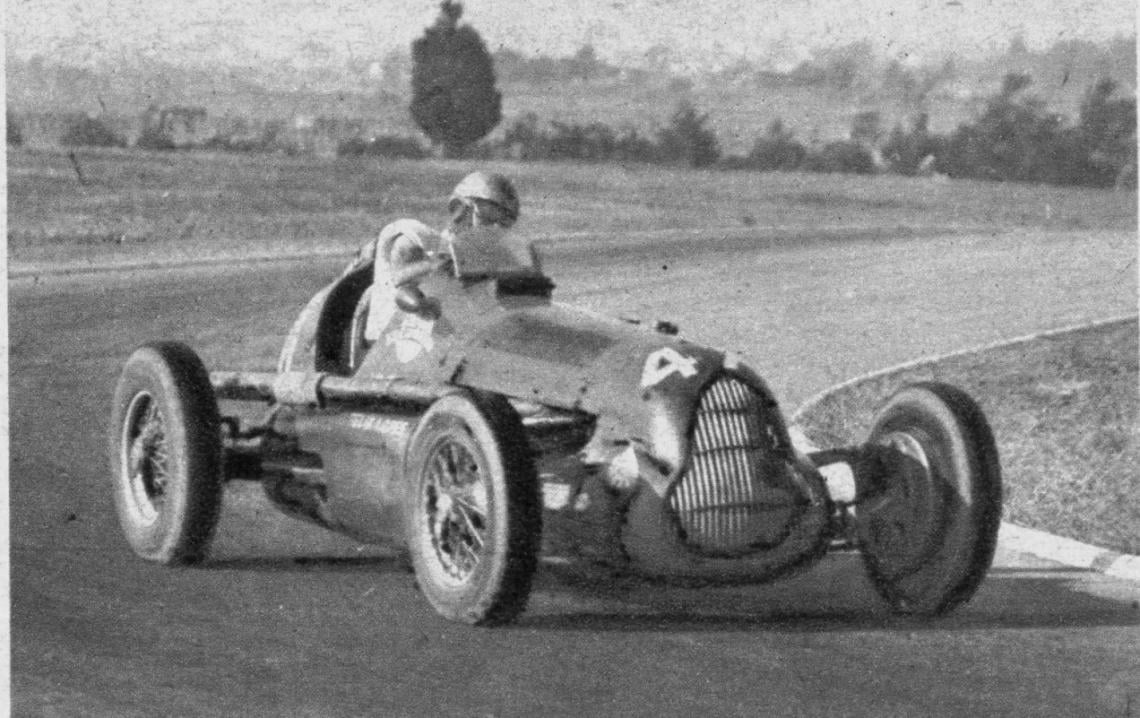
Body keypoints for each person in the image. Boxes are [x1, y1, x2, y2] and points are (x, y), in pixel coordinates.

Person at [361, 171, 525, 343]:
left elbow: (489, 314)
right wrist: (440, 264)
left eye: (504, 225)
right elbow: (400, 279)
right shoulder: (417, 237)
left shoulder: (484, 269)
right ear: (461, 210)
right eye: (488, 218)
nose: (494, 230)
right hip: (386, 346)